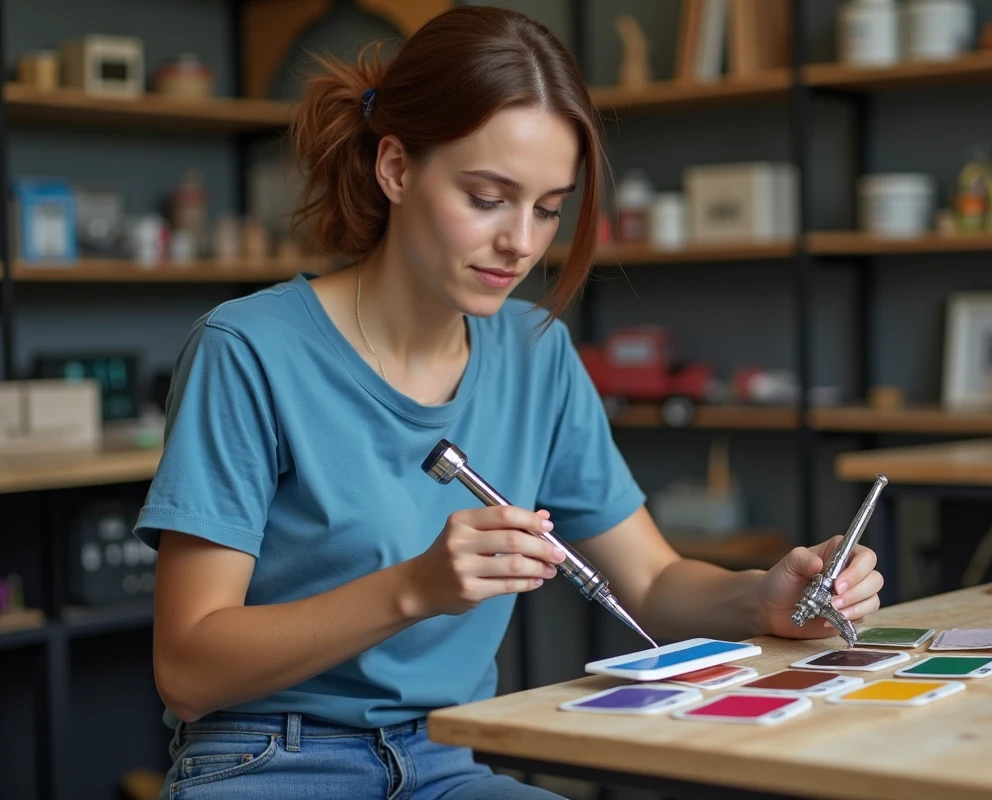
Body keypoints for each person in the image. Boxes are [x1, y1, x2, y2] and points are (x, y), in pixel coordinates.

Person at [134, 6, 884, 799]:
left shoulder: (536, 352)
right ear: (395, 168)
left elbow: (653, 581)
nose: (522, 243)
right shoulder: (250, 349)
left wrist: (760, 598)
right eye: (488, 197)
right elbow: (187, 670)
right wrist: (413, 589)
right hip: (269, 758)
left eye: (548, 207)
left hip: (449, 758)